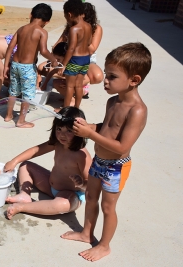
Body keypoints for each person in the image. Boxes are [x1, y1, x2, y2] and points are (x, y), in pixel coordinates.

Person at [61, 42, 152, 261]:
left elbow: (122, 146)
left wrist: (91, 135)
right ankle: (85, 233)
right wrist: (87, 127)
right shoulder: (113, 102)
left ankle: (104, 245)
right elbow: (107, 128)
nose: (105, 80)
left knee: (108, 207)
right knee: (91, 198)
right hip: (99, 161)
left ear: (134, 80)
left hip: (116, 167)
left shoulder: (137, 110)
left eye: (112, 76)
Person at [4, 106, 92, 219]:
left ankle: (22, 207)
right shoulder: (58, 143)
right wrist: (14, 161)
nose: (62, 135)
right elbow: (36, 150)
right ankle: (24, 195)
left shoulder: (81, 155)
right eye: (59, 129)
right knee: (25, 165)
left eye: (69, 131)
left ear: (79, 131)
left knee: (62, 205)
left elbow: (91, 183)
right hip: (50, 185)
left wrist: (81, 184)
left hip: (70, 194)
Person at [3, 3, 58, 128]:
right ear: (47, 21)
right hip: (27, 68)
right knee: (27, 94)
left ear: (30, 15)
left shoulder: (21, 29)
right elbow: (43, 51)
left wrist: (6, 65)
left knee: (13, 91)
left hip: (15, 64)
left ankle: (8, 115)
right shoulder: (42, 31)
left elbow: (10, 47)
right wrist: (53, 60)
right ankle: (21, 120)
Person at [52, 2, 103, 99]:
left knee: (96, 76)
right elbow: (57, 45)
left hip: (83, 59)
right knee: (43, 68)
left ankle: (71, 94)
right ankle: (76, 89)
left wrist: (79, 40)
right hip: (66, 57)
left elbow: (90, 49)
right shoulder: (71, 27)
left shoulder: (92, 28)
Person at [57, 0, 92, 110]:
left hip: (75, 59)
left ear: (70, 14)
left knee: (70, 86)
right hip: (86, 59)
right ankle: (76, 108)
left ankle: (65, 109)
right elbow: (89, 42)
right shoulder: (89, 26)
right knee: (79, 85)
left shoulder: (74, 29)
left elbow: (71, 48)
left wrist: (63, 64)